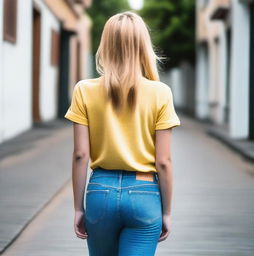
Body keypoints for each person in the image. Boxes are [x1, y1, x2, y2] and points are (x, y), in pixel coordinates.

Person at [64, 10, 181, 256]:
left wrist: (78, 208)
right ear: (142, 46)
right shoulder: (161, 92)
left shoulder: (84, 90)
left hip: (99, 191)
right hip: (145, 193)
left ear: (105, 44)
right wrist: (167, 212)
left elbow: (80, 155)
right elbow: (164, 161)